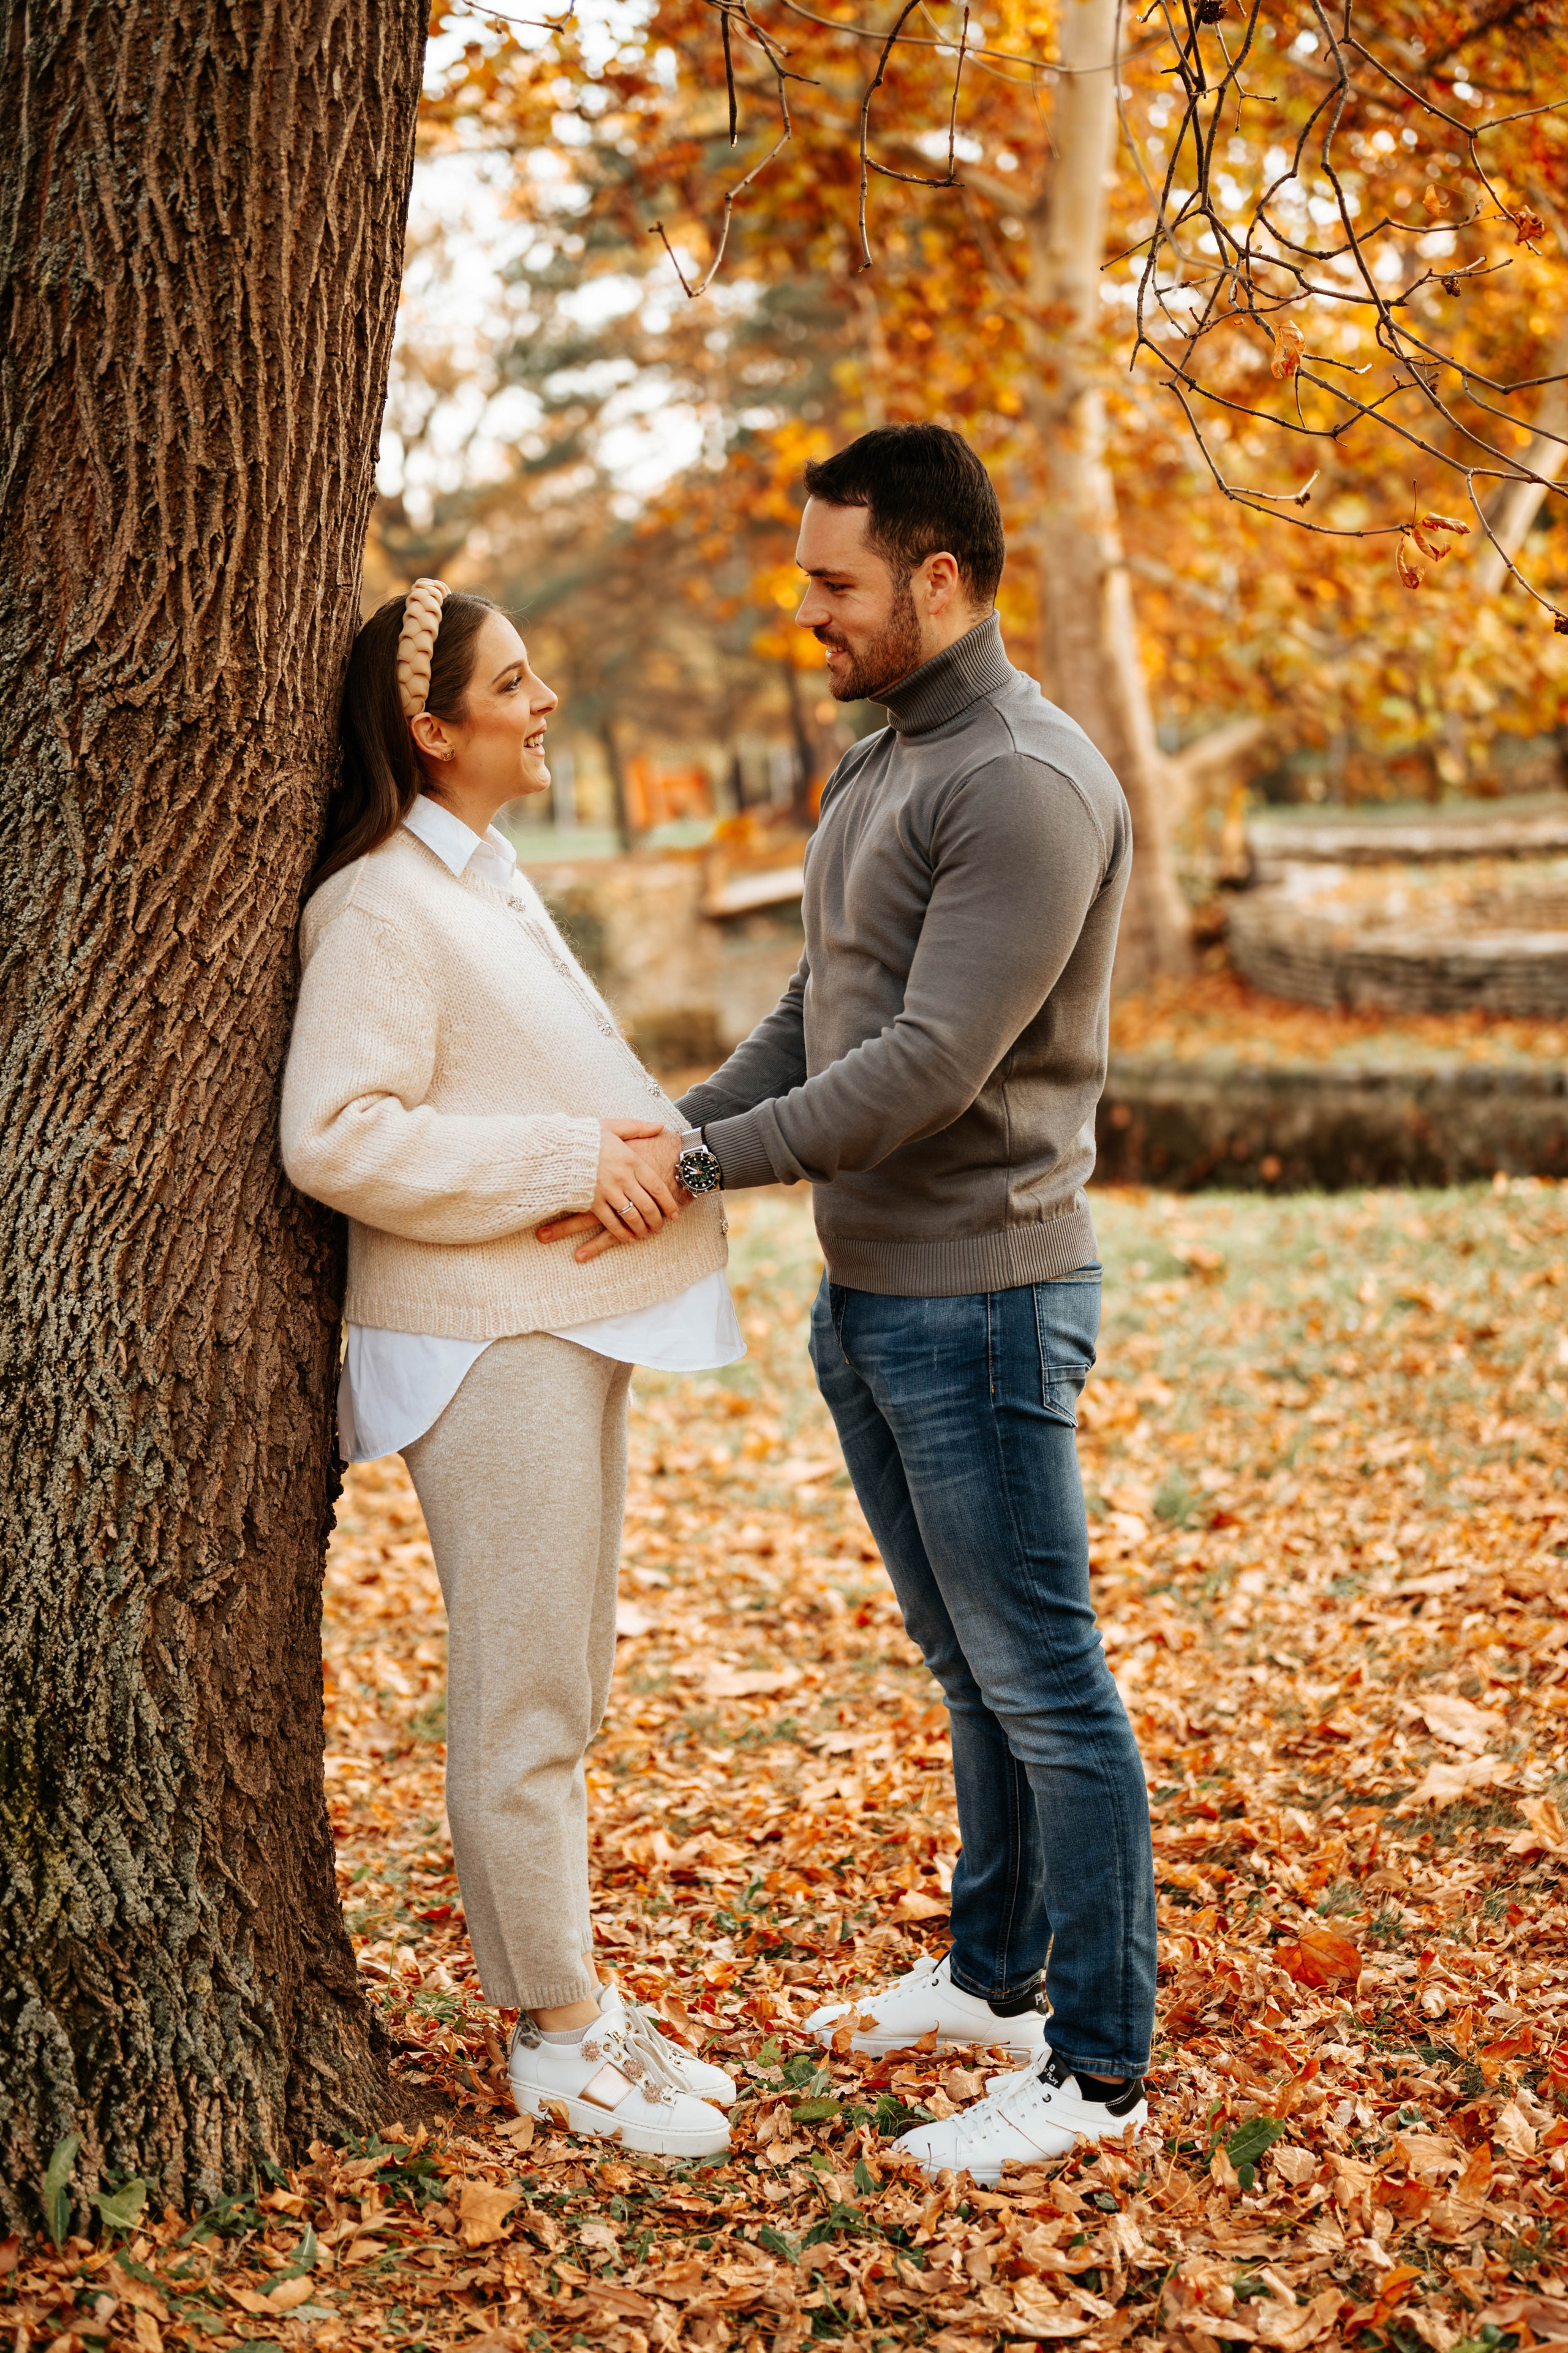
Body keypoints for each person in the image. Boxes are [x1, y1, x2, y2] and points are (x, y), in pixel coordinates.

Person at [540, 424, 1156, 2184]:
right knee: (975, 1669)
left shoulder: (1025, 783)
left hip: (985, 1303)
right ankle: (993, 1978)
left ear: (938, 580)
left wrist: (708, 1170)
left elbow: (923, 1072)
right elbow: (816, 1018)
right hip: (877, 1299)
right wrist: (678, 1123)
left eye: (836, 582)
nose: (807, 612)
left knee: (1049, 1684)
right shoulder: (880, 766)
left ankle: (1098, 2065)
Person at [281, 580, 744, 2159]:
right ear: (432, 728)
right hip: (480, 1339)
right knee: (526, 1700)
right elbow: (335, 1134)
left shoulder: (481, 878)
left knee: (570, 1684)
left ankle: (578, 2000)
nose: (546, 703)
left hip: (554, 1323)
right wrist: (565, 1158)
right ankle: (553, 2038)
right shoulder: (377, 906)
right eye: (518, 683)